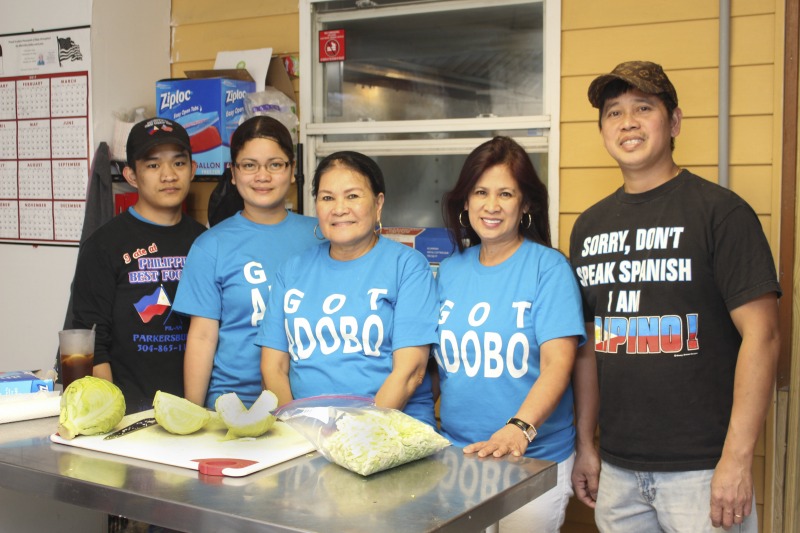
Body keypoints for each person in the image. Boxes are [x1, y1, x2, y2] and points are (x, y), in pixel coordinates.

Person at [569, 60, 781, 532]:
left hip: (704, 472)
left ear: (675, 122)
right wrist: (587, 443)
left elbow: (763, 337)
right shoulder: (589, 227)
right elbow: (589, 346)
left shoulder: (720, 213)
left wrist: (737, 460)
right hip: (619, 471)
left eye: (643, 108)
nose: (627, 122)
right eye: (613, 112)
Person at [434, 136, 585, 532]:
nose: (492, 205)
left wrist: (519, 428)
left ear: (526, 204)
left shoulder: (548, 269)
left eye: (506, 193)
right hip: (459, 456)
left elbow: (558, 363)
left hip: (534, 458)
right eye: (481, 192)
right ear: (465, 202)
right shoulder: (449, 271)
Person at [256, 151, 439, 426]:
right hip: (306, 434)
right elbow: (274, 368)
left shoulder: (408, 266)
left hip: (390, 433)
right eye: (327, 197)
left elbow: (410, 372)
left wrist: (356, 438)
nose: (339, 208)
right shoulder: (291, 271)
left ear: (378, 204)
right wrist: (297, 429)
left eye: (352, 196)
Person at [173, 116, 318, 409]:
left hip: (310, 402)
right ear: (234, 173)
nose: (262, 176)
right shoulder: (210, 246)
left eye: (275, 164)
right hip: (234, 406)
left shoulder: (320, 236)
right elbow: (202, 337)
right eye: (249, 165)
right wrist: (193, 414)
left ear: (292, 171)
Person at [71, 117, 206, 413]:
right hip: (129, 414)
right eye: (153, 165)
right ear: (131, 175)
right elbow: (92, 342)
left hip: (194, 412)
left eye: (179, 164)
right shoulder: (103, 245)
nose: (169, 175)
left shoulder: (206, 242)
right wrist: (111, 414)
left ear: (193, 170)